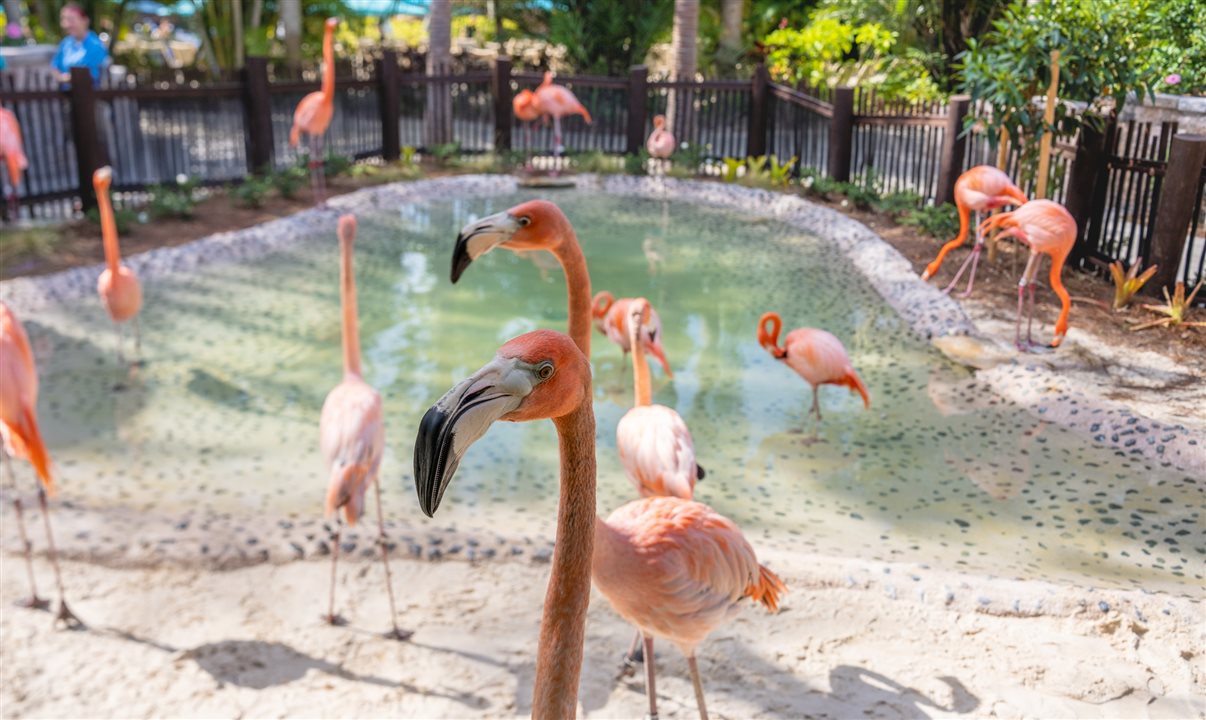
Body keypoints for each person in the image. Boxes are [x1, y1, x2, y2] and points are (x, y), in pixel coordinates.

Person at [52, 3, 109, 86]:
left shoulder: (96, 46)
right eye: (64, 20)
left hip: (87, 95)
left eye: (71, 20)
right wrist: (61, 77)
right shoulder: (65, 43)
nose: (66, 25)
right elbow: (55, 66)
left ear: (85, 21)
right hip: (65, 95)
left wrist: (65, 78)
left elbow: (87, 75)